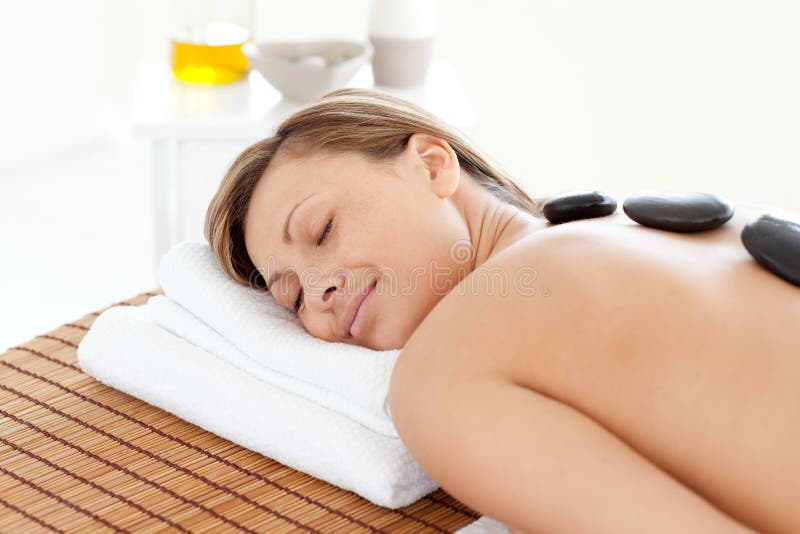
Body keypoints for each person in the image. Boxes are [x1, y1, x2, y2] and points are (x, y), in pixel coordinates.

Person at [204, 88, 799, 533]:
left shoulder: (444, 370)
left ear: (433, 165)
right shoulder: (647, 225)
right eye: (293, 297)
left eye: (322, 228)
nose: (319, 292)